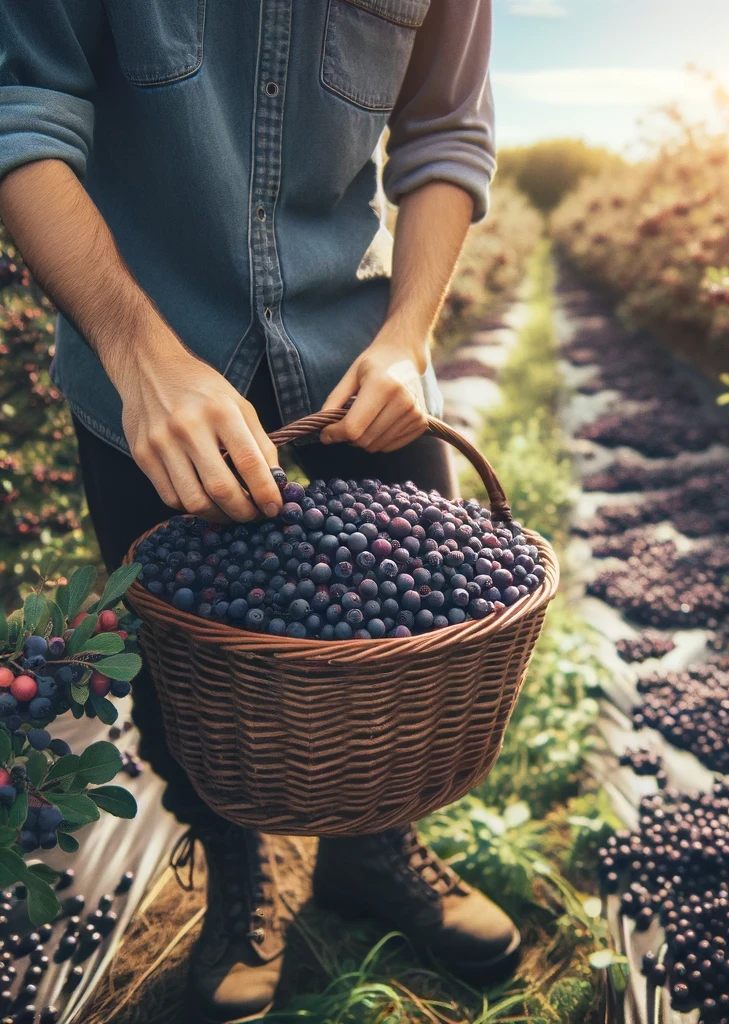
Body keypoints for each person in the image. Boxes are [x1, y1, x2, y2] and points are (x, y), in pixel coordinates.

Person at [0, 2, 519, 1020]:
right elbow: (23, 111)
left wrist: (411, 335)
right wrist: (137, 352)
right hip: (150, 370)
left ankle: (373, 849)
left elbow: (445, 134)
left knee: (402, 645)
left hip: (356, 355)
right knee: (189, 676)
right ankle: (238, 863)